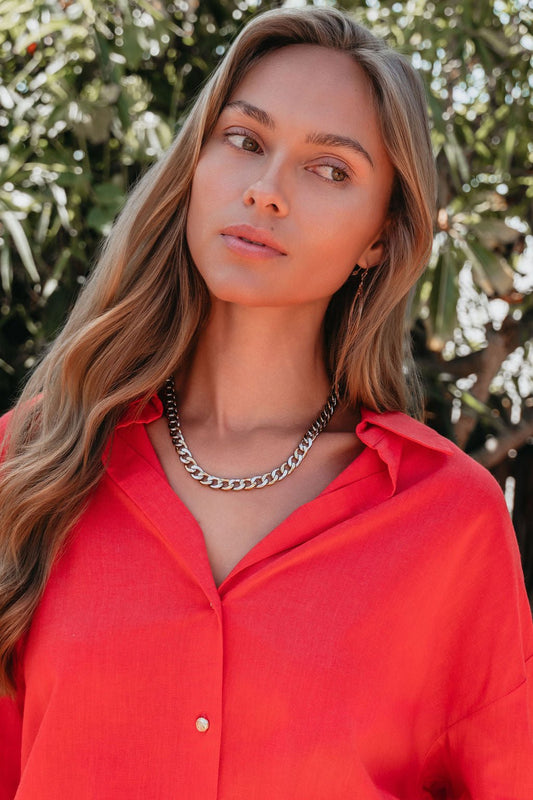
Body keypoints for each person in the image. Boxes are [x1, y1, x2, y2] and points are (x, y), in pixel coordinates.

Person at [0, 6, 532, 799]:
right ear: (195, 165)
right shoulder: (35, 459)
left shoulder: (448, 519)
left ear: (379, 238)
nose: (265, 190)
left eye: (330, 169)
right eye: (245, 141)